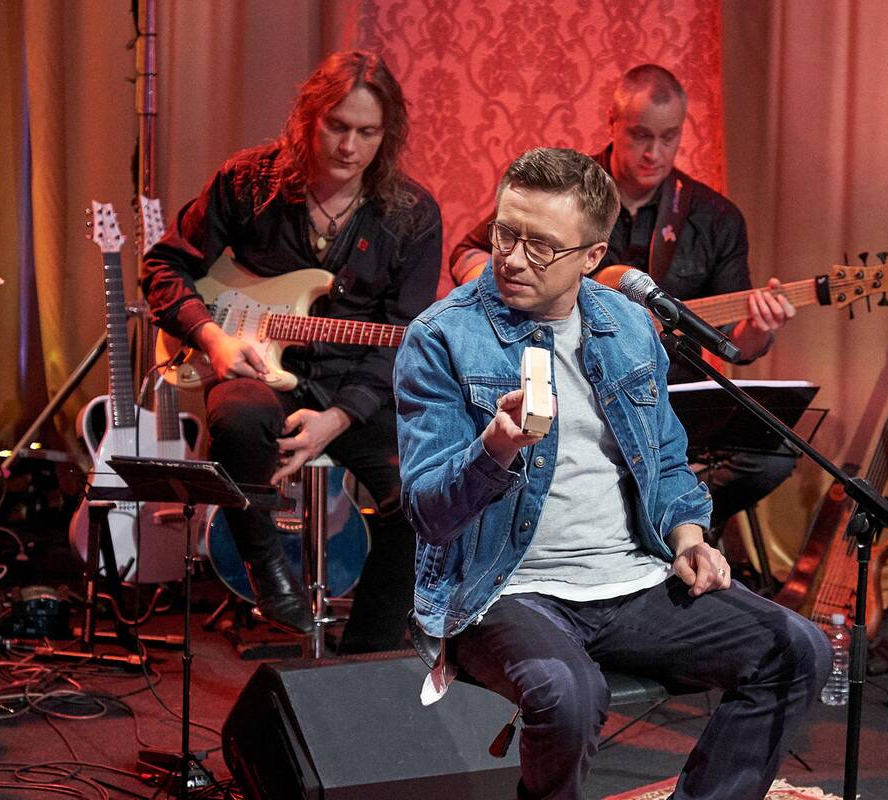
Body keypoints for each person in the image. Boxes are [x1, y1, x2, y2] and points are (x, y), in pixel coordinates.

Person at [395, 147, 829, 800]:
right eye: (505, 234)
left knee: (797, 650)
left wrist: (688, 536)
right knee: (568, 695)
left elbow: (665, 461)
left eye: (542, 246)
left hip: (631, 581)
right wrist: (493, 450)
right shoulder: (443, 337)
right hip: (504, 589)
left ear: (592, 256)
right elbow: (427, 511)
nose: (512, 259)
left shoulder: (626, 324)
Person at [143, 51, 442, 652]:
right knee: (237, 417)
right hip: (256, 365)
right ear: (308, 117)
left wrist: (339, 418)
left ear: (387, 134)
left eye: (367, 132)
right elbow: (164, 266)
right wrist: (213, 338)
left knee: (423, 495)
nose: (350, 147)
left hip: (358, 385)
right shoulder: (247, 181)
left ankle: (369, 655)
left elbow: (402, 334)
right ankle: (267, 573)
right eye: (337, 126)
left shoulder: (413, 215)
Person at [448, 64, 796, 531]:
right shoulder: (565, 193)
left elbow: (735, 345)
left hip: (670, 397)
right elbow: (466, 252)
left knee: (772, 457)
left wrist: (757, 329)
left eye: (669, 137)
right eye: (640, 136)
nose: (654, 153)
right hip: (569, 386)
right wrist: (508, 290)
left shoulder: (716, 218)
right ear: (613, 123)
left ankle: (665, 521)